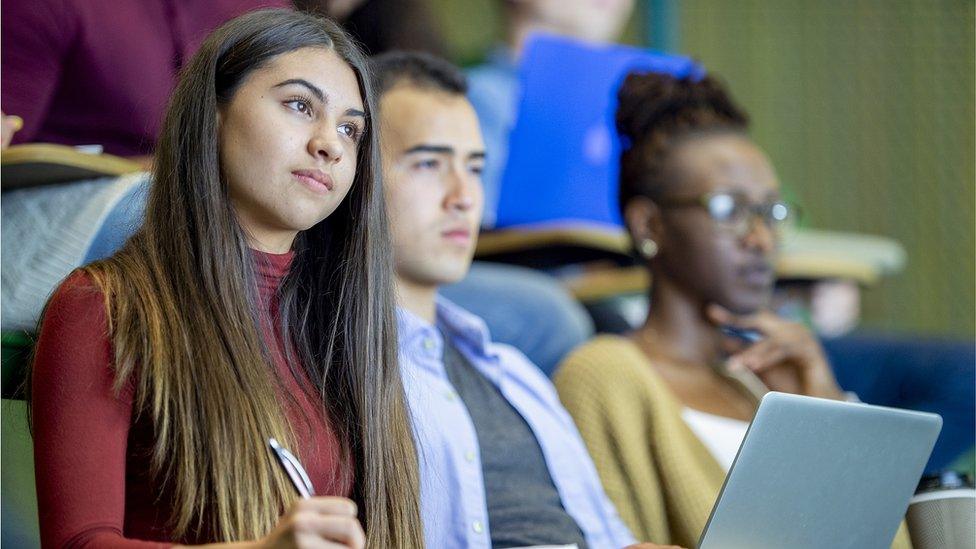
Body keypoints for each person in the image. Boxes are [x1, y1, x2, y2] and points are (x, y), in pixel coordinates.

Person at [28, 10, 422, 547]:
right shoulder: (103, 307)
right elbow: (79, 542)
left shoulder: (345, 326)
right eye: (299, 106)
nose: (330, 143)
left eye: (351, 129)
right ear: (213, 117)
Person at [552, 71, 912, 548]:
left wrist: (824, 404)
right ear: (649, 224)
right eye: (729, 209)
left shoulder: (764, 383)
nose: (761, 239)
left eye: (772, 211)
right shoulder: (604, 375)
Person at [372, 50, 682, 549]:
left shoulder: (515, 373)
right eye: (429, 163)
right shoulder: (347, 376)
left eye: (475, 168)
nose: (464, 197)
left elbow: (609, 537)